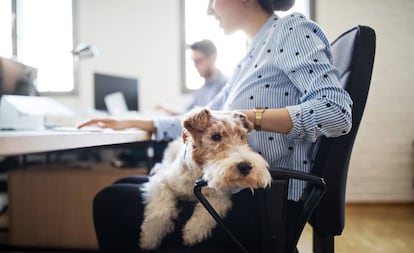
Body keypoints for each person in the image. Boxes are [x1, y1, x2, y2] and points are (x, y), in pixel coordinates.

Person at [78, 0, 353, 252]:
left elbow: (337, 111)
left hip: (262, 203)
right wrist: (131, 121)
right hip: (230, 187)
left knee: (109, 202)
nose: (210, 9)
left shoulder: (291, 29)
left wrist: (251, 118)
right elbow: (205, 118)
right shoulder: (248, 57)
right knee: (123, 184)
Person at [156, 39, 227, 115]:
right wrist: (166, 109)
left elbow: (208, 118)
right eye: (193, 61)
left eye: (198, 61)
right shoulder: (202, 89)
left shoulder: (225, 85)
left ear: (212, 58)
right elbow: (187, 113)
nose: (195, 66)